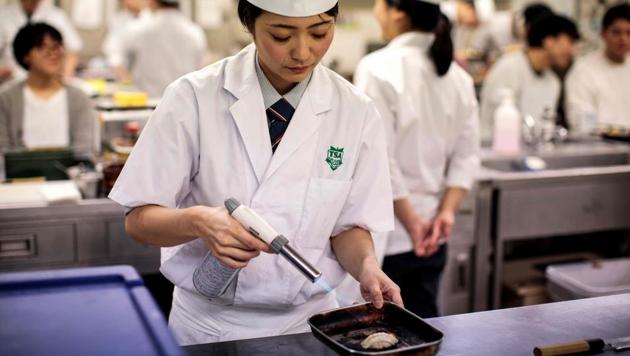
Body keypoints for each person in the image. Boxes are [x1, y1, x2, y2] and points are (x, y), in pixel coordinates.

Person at [108, 0, 402, 345]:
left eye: (320, 33)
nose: (302, 52)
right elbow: (139, 221)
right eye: (281, 35)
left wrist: (366, 265)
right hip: (209, 327)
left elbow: (348, 228)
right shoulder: (193, 98)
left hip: (311, 324)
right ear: (249, 24)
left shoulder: (355, 111)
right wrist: (198, 221)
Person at [354, 0, 479, 318]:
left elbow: (380, 158)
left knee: (385, 333)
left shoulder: (377, 67)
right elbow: (467, 157)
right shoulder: (459, 77)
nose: (375, 11)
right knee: (425, 327)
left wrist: (413, 224)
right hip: (434, 234)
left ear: (398, 11)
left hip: (392, 239)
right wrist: (446, 214)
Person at [0, 23, 95, 160]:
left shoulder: (78, 98)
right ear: (26, 55)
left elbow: (84, 151)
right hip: (20, 179)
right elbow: (3, 153)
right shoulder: (6, 99)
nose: (53, 53)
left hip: (68, 178)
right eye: (42, 47)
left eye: (57, 47)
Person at [480, 14, 580, 142]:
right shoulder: (509, 68)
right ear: (549, 41)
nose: (573, 51)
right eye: (570, 42)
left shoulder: (553, 82)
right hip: (495, 151)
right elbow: (496, 124)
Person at [112, 0, 207, 97]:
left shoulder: (138, 29)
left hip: (148, 103)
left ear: (153, 2)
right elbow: (200, 70)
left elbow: (117, 62)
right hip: (183, 103)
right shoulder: (195, 32)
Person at [566, 3, 630, 132]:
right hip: (599, 146)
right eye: (616, 32)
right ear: (603, 34)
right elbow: (581, 124)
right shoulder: (584, 71)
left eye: (629, 33)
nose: (623, 39)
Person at [0, 0, 83, 82]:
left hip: (49, 80)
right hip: (13, 79)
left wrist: (65, 77)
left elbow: (73, 49)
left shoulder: (56, 15)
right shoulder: (3, 14)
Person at [102, 0, 151, 74]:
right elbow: (113, 48)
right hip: (126, 71)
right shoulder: (118, 19)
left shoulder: (154, 18)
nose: (126, 2)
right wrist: (118, 67)